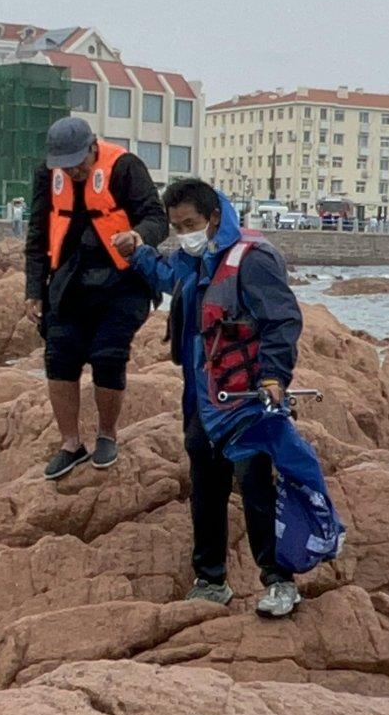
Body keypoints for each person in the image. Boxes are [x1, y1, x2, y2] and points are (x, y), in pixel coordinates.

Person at [114, 178, 305, 618]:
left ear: (214, 216)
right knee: (205, 482)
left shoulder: (253, 260)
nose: (185, 233)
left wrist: (276, 375)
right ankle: (210, 579)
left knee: (256, 482)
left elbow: (282, 319)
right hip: (201, 394)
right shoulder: (193, 259)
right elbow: (167, 276)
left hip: (246, 397)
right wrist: (138, 254)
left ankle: (279, 581)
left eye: (191, 224)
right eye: (178, 226)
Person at [24, 115, 166, 479]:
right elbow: (38, 232)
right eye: (65, 166)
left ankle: (107, 435)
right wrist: (33, 291)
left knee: (108, 354)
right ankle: (70, 444)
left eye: (78, 163)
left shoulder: (125, 167)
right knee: (59, 356)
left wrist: (137, 236)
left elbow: (156, 217)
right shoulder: (47, 174)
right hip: (69, 280)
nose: (73, 172)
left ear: (92, 147)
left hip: (123, 279)